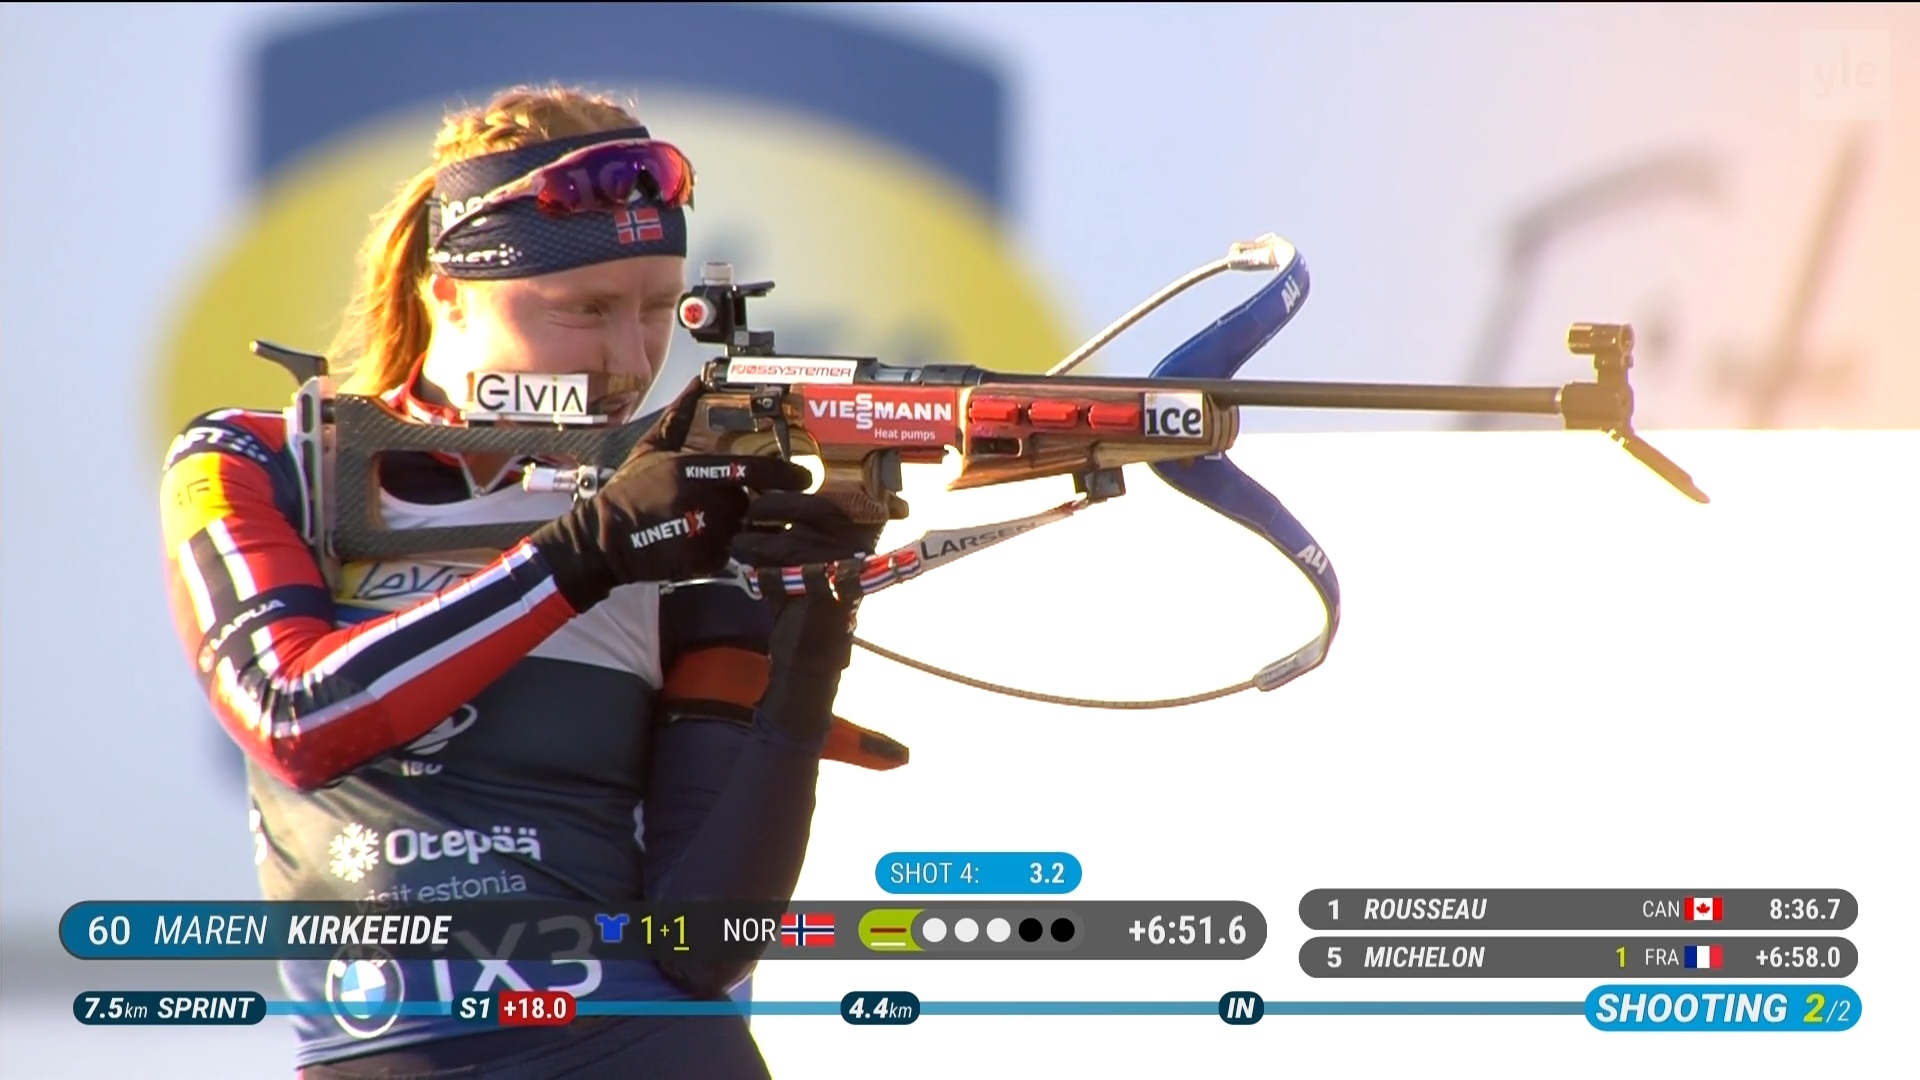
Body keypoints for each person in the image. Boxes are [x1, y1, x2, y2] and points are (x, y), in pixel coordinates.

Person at [159, 83, 896, 1078]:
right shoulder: (263, 458)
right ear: (446, 292)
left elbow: (705, 942)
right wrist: (586, 552)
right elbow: (296, 716)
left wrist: (804, 659)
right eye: (584, 310)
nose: (630, 360)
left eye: (657, 310)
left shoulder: (681, 506)